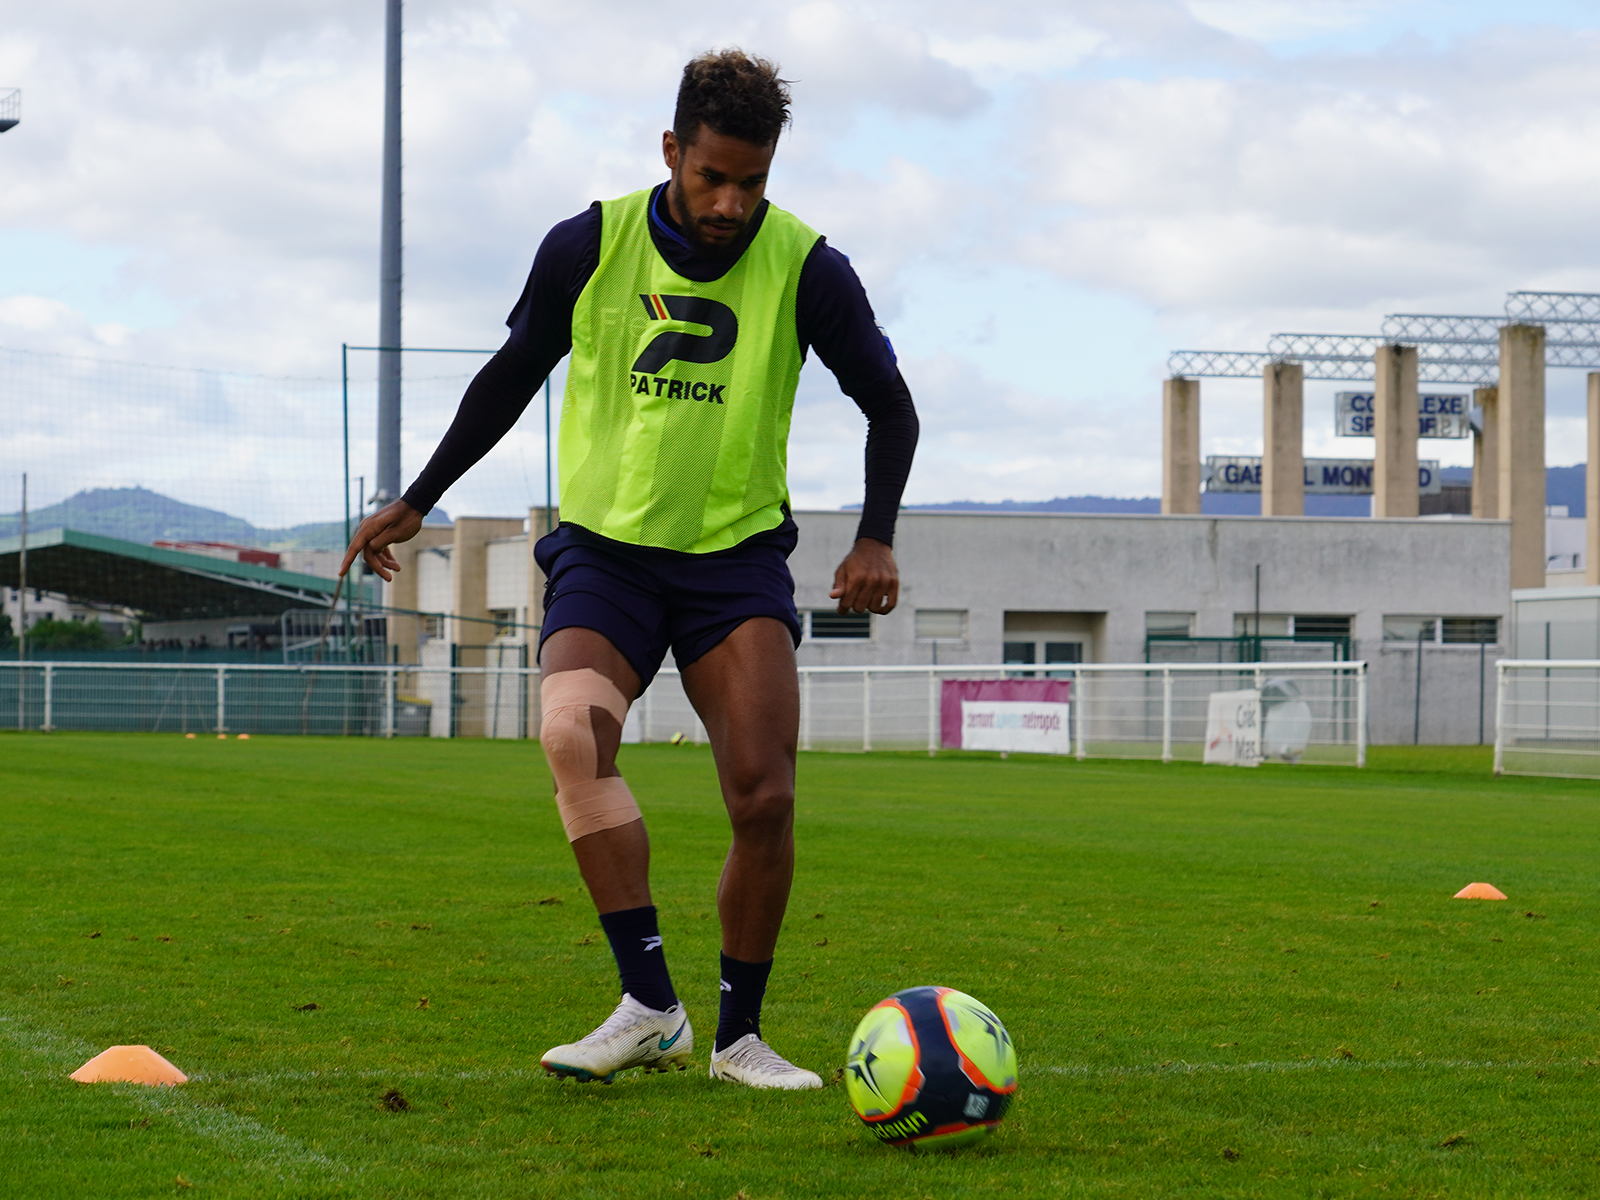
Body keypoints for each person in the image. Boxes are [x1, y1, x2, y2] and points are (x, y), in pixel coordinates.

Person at [341, 49, 917, 1090]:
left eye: (753, 180)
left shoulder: (807, 266)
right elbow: (511, 376)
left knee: (764, 798)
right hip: (605, 554)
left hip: (734, 562)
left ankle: (739, 1037)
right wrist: (416, 501)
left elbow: (891, 402)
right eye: (713, 178)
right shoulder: (589, 245)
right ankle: (649, 1004)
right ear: (671, 152)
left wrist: (875, 534)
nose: (733, 203)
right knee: (570, 733)